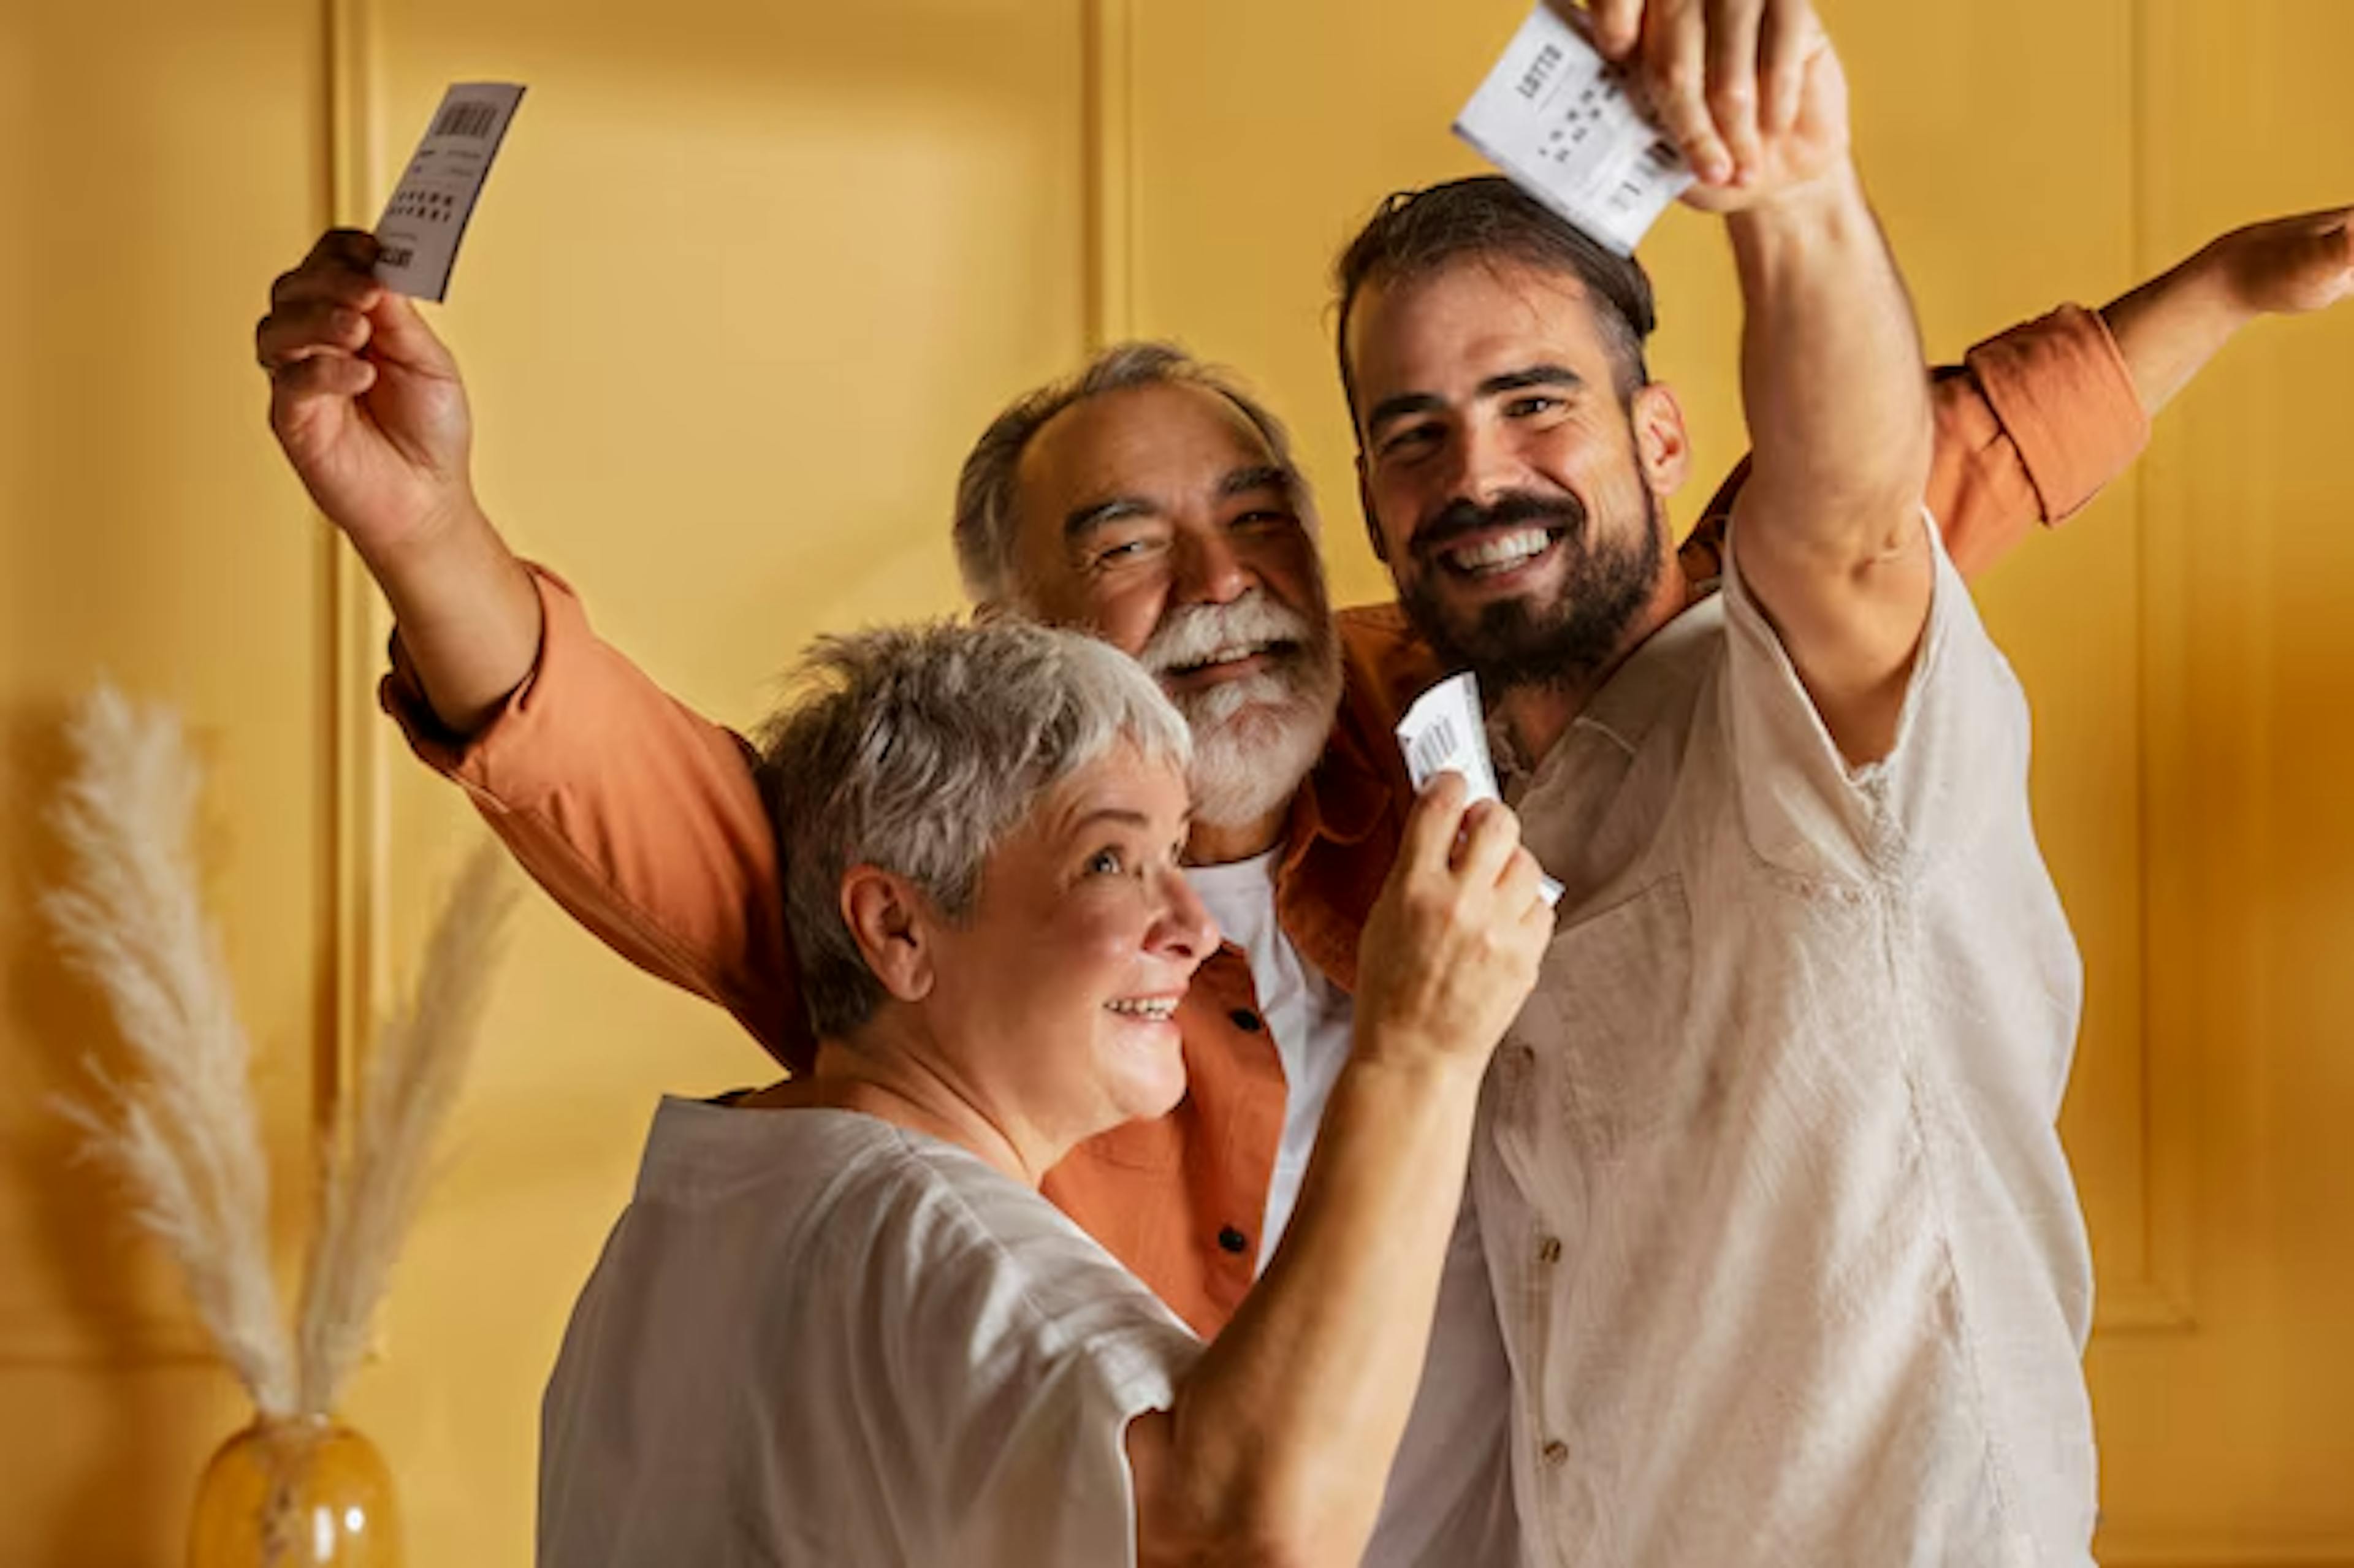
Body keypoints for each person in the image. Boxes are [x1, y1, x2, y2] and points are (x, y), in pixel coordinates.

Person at [1331, 5, 2352, 1564]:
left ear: (1661, 438)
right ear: (1372, 498)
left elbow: (1868, 512)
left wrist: (1794, 193)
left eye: (1536, 401)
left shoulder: (1790, 697)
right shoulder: (1446, 789)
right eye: (1417, 433)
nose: (1476, 473)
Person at [538, 616, 1552, 1566]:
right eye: (1109, 859)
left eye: (1175, 857)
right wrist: (1419, 1049)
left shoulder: (692, 1215)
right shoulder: (929, 1237)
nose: (1194, 929)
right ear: (898, 928)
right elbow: (1247, 1527)